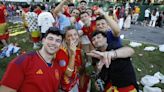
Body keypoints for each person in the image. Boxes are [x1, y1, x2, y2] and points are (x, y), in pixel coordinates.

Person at [0, 27, 64, 92]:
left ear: (60, 45)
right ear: (43, 41)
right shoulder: (21, 62)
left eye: (58, 41)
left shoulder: (57, 66)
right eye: (50, 39)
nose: (53, 43)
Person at [56, 26, 83, 92]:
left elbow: (79, 66)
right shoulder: (61, 52)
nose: (73, 37)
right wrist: (73, 54)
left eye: (75, 34)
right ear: (65, 39)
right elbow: (68, 74)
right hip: (66, 87)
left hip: (75, 82)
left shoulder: (77, 49)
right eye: (69, 36)